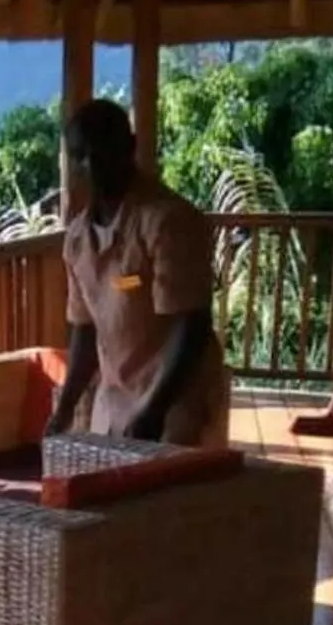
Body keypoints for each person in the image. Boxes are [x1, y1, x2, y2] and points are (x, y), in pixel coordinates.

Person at [48, 98, 230, 448]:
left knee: (172, 500)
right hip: (115, 399)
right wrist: (65, 409)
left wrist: (155, 410)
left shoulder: (168, 221)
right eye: (80, 155)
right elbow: (84, 331)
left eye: (102, 149)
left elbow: (191, 325)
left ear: (129, 147)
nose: (92, 163)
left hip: (177, 399)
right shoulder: (76, 240)